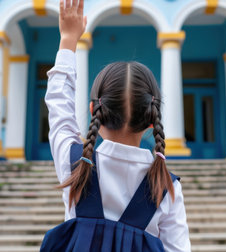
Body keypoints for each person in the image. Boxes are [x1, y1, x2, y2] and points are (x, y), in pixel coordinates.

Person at [41, 0, 190, 251]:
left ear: (93, 111)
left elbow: (59, 106)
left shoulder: (73, 164)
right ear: (153, 121)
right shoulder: (167, 187)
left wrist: (68, 39)